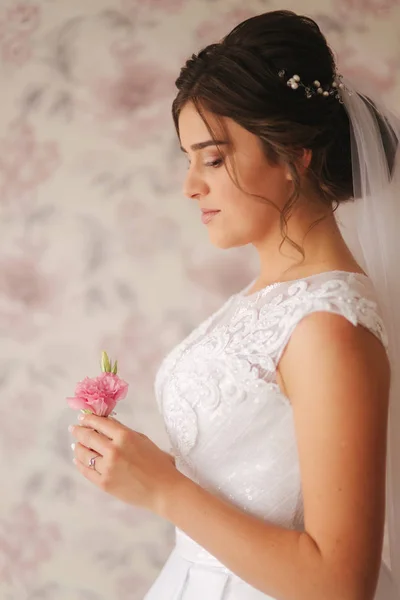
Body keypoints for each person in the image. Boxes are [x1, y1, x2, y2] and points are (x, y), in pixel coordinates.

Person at [69, 9, 400, 600]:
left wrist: (164, 488)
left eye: (213, 158)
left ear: (295, 152)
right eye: (187, 158)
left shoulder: (329, 328)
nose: (190, 185)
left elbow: (340, 585)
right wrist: (136, 465)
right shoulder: (264, 302)